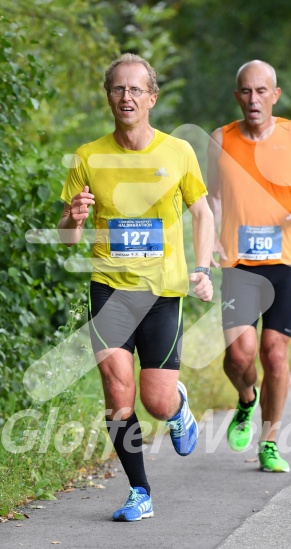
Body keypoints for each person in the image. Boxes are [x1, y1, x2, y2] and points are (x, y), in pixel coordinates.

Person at [57, 53, 214, 521]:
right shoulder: (88, 157)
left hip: (163, 290)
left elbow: (202, 213)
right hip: (109, 286)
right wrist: (73, 218)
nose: (125, 97)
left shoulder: (178, 152)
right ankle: (139, 491)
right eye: (117, 89)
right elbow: (69, 237)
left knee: (156, 400)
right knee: (116, 390)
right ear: (108, 96)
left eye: (135, 89)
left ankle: (179, 403)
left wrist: (202, 268)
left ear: (151, 98)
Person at [207, 60, 291, 472]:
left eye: (262, 91)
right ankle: (245, 399)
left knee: (274, 355)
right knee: (239, 358)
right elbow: (212, 200)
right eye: (246, 91)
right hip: (238, 263)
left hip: (285, 261)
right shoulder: (220, 140)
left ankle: (270, 441)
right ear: (237, 96)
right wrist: (207, 243)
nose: (253, 99)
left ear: (275, 95)